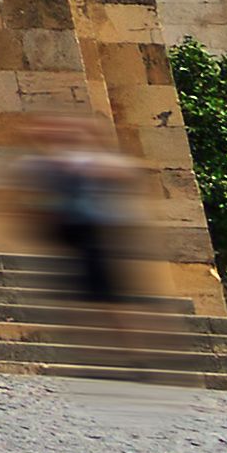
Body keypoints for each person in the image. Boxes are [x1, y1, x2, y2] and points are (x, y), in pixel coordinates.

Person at [35, 119, 136, 319]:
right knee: (90, 291)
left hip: (96, 230)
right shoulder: (78, 160)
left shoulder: (94, 161)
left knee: (105, 294)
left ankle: (123, 332)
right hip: (81, 230)